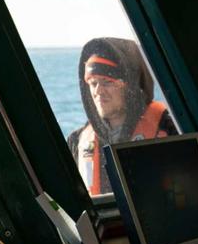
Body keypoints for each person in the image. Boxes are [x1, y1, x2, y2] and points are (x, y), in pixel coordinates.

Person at [67, 37, 177, 195]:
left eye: (107, 82)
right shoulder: (76, 142)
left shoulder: (170, 129)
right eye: (92, 83)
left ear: (130, 85)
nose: (98, 91)